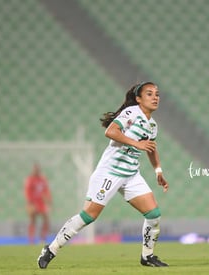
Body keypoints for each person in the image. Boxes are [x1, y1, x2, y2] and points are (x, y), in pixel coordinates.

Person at [37, 81, 170, 268]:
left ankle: (147, 256)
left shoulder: (152, 125)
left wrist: (158, 171)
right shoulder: (131, 113)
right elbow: (111, 131)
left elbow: (151, 149)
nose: (155, 97)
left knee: (153, 214)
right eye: (149, 94)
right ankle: (50, 249)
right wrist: (136, 143)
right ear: (139, 99)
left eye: (157, 94)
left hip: (131, 174)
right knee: (88, 216)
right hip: (109, 172)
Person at [24, 163, 52, 244]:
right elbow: (27, 192)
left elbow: (46, 190)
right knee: (32, 220)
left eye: (38, 169)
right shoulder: (30, 179)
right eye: (35, 169)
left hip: (41, 203)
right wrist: (30, 203)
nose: (37, 170)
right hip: (33, 203)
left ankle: (42, 239)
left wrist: (49, 201)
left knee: (46, 220)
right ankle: (31, 240)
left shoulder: (42, 179)